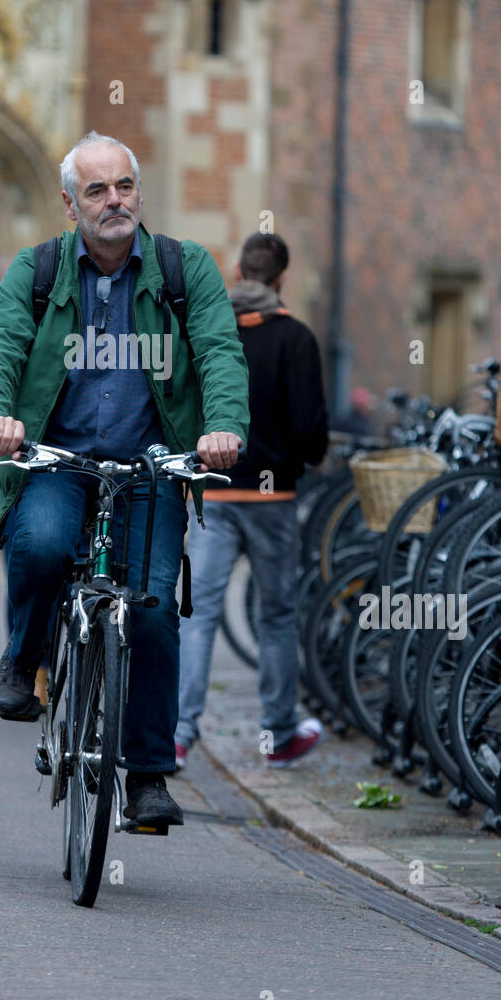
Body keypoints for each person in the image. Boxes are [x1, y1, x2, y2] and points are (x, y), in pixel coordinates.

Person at [0, 131, 249, 827]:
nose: (113, 200)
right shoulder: (35, 272)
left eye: (123, 186)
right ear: (71, 205)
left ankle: (149, 774)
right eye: (96, 190)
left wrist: (225, 428)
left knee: (152, 607)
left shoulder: (187, 270)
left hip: (151, 465)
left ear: (139, 192)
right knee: (39, 544)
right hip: (59, 459)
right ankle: (24, 658)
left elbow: (218, 351)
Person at [176, 231, 329, 768]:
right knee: (278, 616)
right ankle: (280, 731)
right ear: (281, 278)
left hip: (213, 494)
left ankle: (179, 730)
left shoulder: (208, 331)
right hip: (275, 498)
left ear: (237, 272)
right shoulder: (296, 339)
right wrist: (291, 458)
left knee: (197, 615)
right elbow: (313, 433)